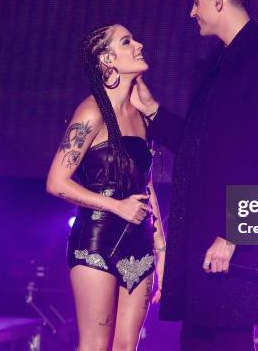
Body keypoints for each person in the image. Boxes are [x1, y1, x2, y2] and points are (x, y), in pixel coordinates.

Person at [130, 0, 258, 350]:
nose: (192, 12)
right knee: (199, 335)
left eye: (196, 2)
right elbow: (202, 144)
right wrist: (154, 111)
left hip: (229, 235)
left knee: (225, 337)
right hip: (206, 231)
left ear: (219, 1)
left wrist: (232, 232)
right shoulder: (219, 63)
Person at [46, 24, 166, 351]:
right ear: (107, 59)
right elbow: (56, 182)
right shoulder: (91, 111)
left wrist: (161, 249)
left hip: (139, 240)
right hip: (97, 239)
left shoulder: (141, 116)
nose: (139, 44)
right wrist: (117, 206)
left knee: (126, 348)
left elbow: (146, 184)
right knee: (96, 347)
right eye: (127, 41)